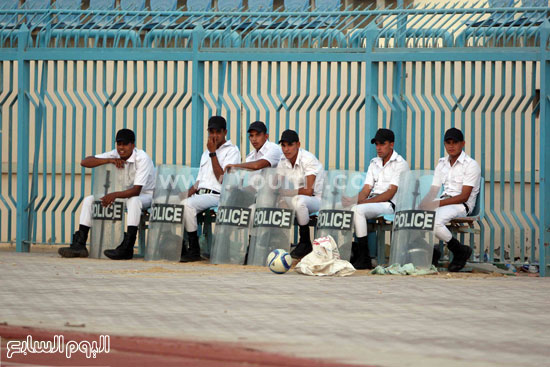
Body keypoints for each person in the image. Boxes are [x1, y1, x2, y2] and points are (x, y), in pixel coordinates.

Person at [58, 129, 156, 260]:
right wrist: (109, 160)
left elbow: (136, 191)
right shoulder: (115, 154)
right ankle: (79, 245)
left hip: (146, 196)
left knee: (134, 200)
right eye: (119, 143)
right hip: (123, 194)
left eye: (125, 144)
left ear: (133, 145)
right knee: (89, 200)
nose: (121, 147)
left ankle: (127, 247)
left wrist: (114, 195)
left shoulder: (142, 158)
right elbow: (85, 162)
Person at [180, 116, 241, 262]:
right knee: (176, 202)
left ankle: (194, 249)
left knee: (187, 205)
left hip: (218, 195)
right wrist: (181, 195)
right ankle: (179, 247)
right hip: (201, 195)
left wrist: (213, 153)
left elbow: (223, 179)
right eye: (211, 132)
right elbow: (198, 183)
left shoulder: (232, 151)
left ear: (225, 132)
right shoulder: (205, 153)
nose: (214, 136)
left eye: (217, 132)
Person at [423, 127, 481, 272]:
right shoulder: (442, 163)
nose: (451, 146)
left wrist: (436, 203)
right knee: (418, 216)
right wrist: (423, 204)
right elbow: (434, 190)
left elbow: (464, 196)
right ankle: (432, 253)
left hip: (461, 205)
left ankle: (460, 251)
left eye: (455, 142)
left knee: (434, 222)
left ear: (463, 143)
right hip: (444, 202)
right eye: (448, 142)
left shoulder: (471, 165)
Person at [351, 128, 409, 269]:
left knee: (358, 210)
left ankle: (364, 257)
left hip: (389, 205)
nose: (378, 148)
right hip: (374, 202)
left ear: (391, 144)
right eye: (377, 144)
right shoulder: (374, 163)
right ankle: (353, 252)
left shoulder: (400, 164)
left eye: (382, 144)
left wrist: (364, 202)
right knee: (349, 208)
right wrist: (352, 200)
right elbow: (366, 189)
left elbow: (390, 193)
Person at [276, 129, 324, 259]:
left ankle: (305, 242)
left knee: (299, 201)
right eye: (283, 145)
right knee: (275, 201)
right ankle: (277, 240)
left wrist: (287, 193)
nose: (286, 149)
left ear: (298, 144)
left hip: (318, 200)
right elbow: (278, 187)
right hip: (298, 197)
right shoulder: (282, 160)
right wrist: (280, 199)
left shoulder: (308, 159)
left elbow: (309, 191)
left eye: (290, 145)